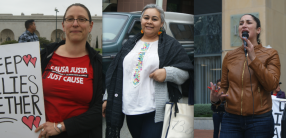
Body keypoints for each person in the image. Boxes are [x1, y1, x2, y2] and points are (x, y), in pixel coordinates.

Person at [102, 4, 193, 138]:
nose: (149, 21)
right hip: (130, 108)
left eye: (154, 19)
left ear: (161, 23)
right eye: (146, 18)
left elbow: (185, 72)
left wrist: (167, 73)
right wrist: (106, 98)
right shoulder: (129, 44)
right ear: (141, 20)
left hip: (155, 110)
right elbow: (115, 73)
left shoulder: (171, 45)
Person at [35, 3, 102, 138]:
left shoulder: (98, 63)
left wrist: (61, 126)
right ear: (63, 25)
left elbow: (100, 109)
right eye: (70, 19)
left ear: (91, 26)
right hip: (40, 133)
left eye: (81, 19)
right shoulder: (44, 56)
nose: (75, 24)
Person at [209, 14, 281, 138]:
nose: (244, 25)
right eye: (241, 23)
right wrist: (216, 98)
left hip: (260, 120)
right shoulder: (230, 56)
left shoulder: (270, 54)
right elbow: (224, 87)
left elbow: (272, 85)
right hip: (231, 120)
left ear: (258, 30)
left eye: (248, 22)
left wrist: (253, 57)